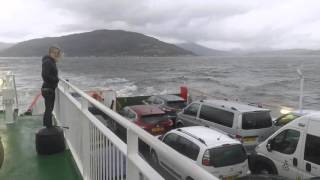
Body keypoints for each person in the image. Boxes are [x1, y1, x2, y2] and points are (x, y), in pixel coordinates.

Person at [41, 46, 62, 128]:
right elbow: (44, 75)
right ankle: (48, 128)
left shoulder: (50, 61)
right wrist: (55, 80)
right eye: (55, 53)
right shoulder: (48, 62)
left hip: (48, 88)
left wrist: (55, 79)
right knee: (49, 109)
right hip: (48, 89)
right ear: (50, 53)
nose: (56, 55)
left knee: (49, 108)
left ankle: (48, 126)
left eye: (57, 53)